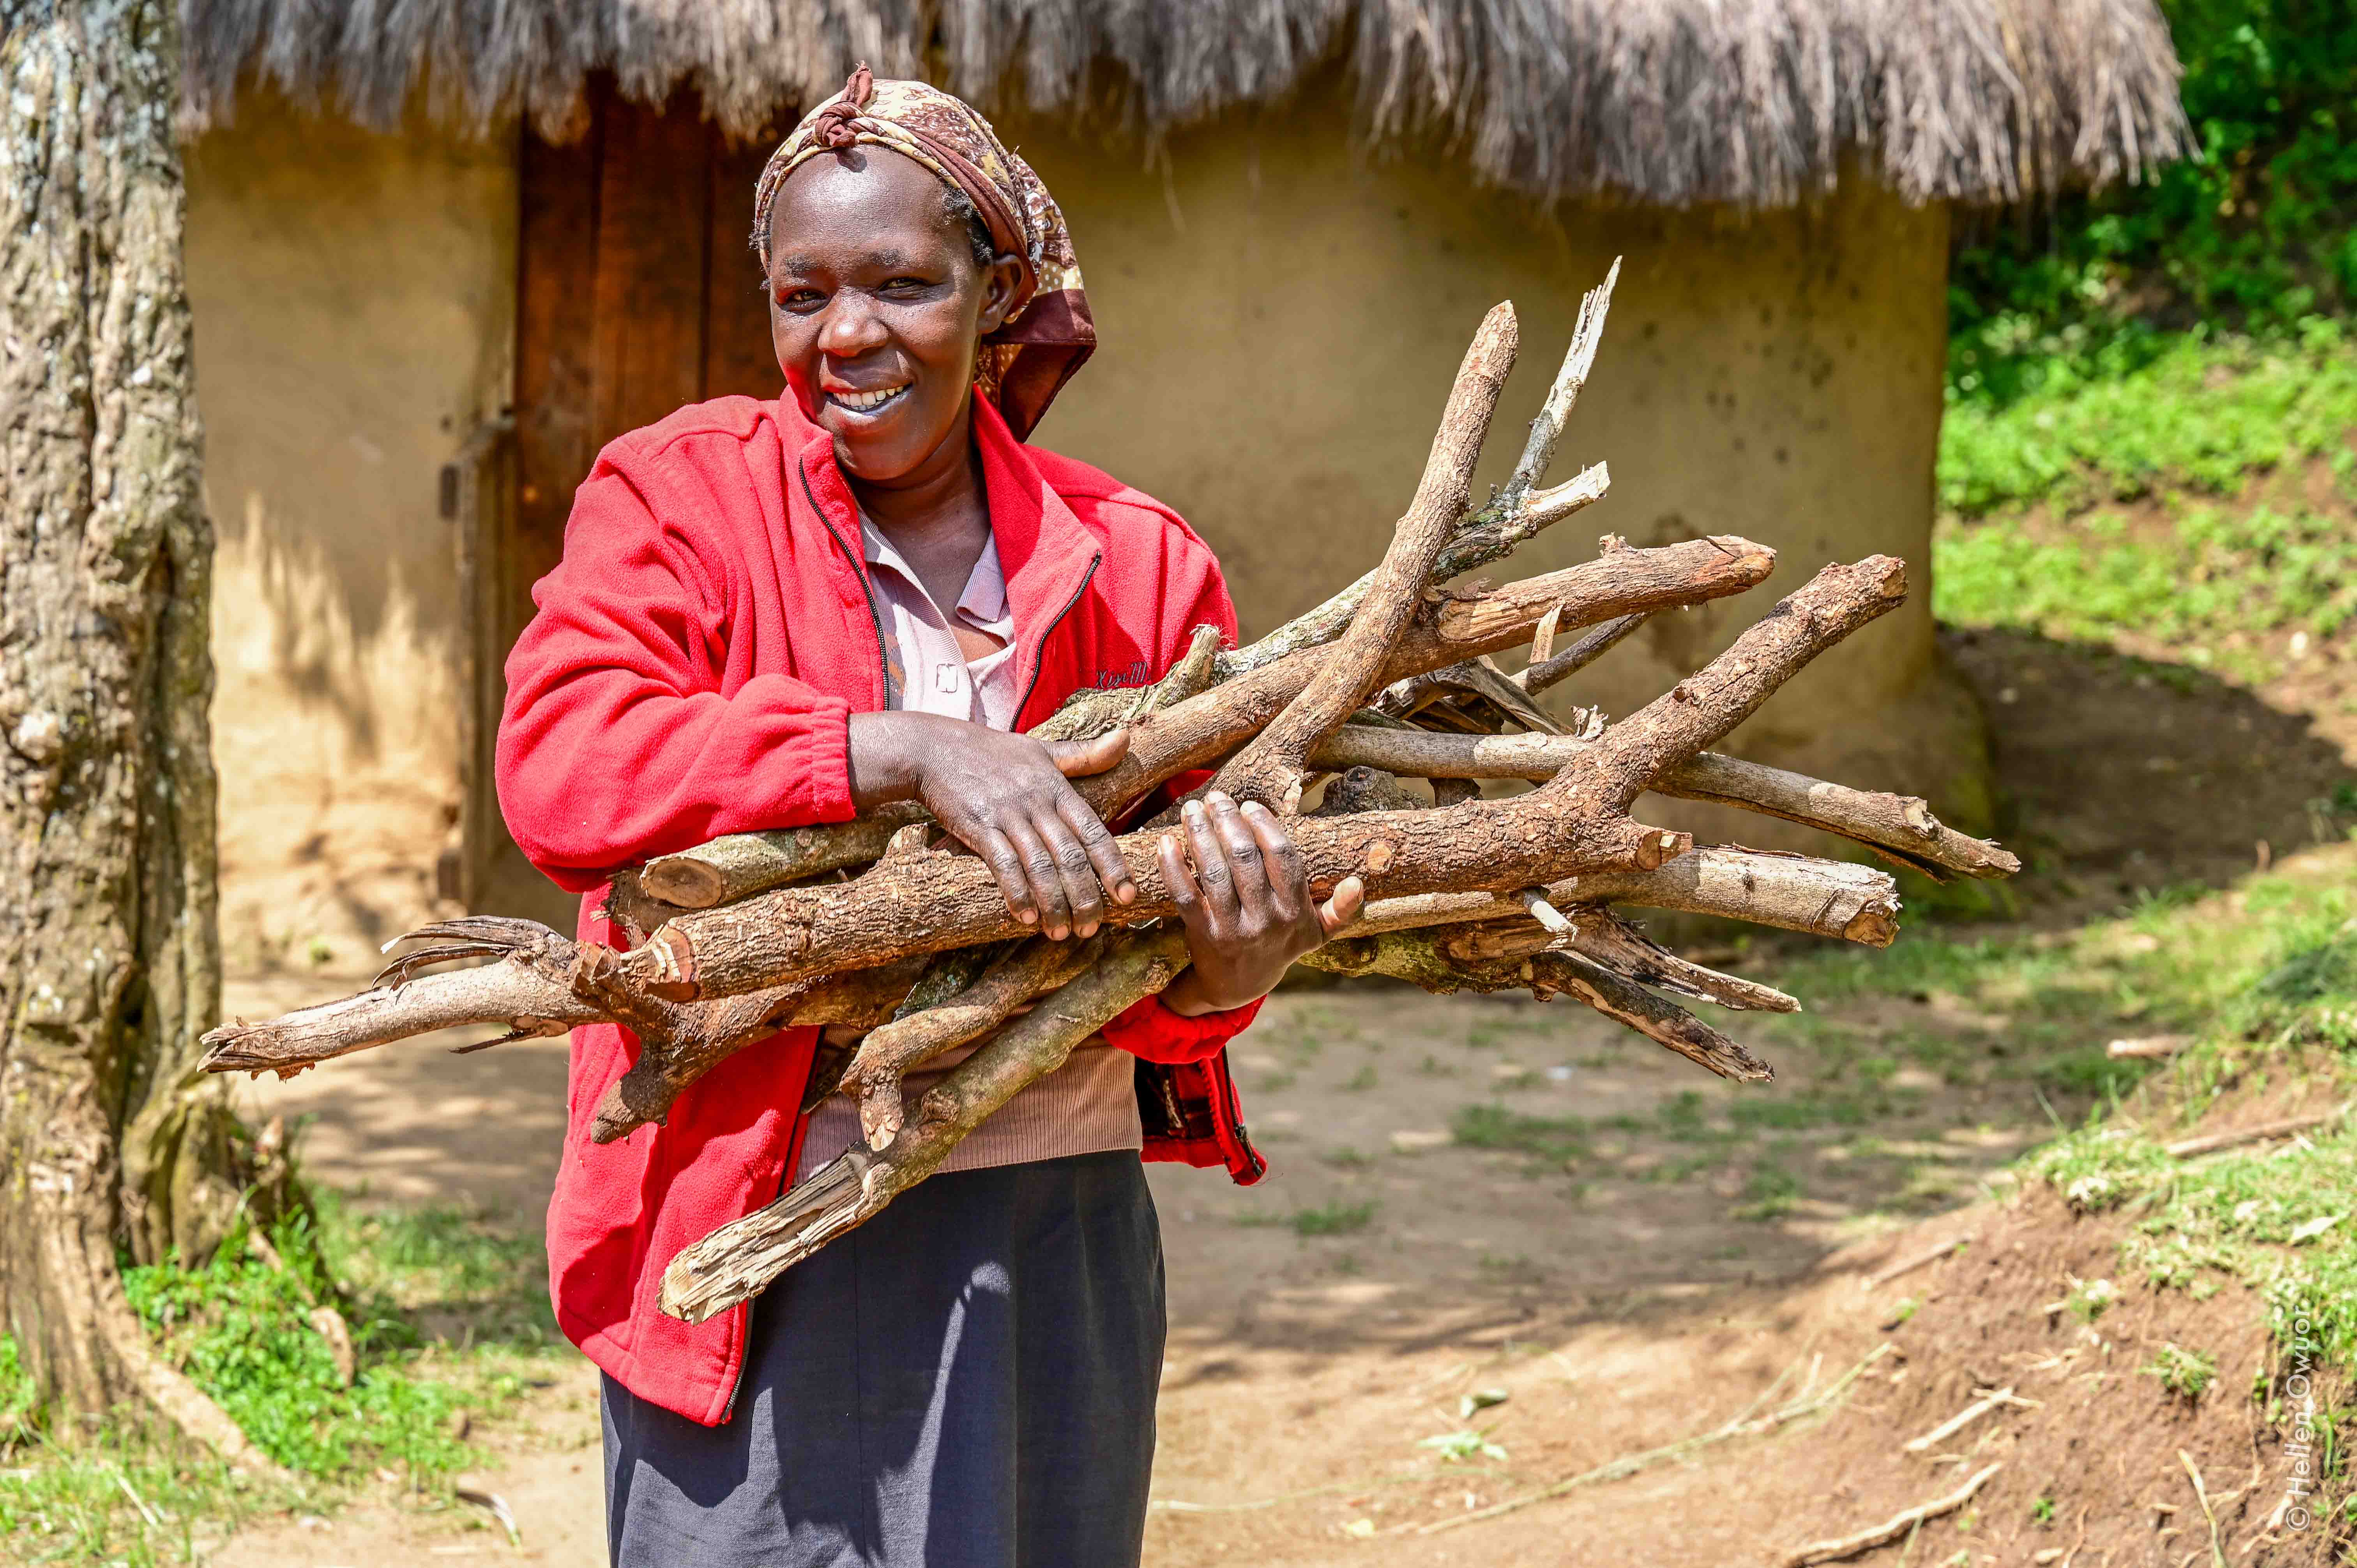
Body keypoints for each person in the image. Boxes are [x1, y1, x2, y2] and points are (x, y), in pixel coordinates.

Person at [495, 67, 1363, 1568]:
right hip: (755, 1224)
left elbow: (1160, 966)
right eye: (802, 293)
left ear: (998, 293)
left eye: (903, 284)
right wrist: (896, 750)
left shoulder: (1139, 567)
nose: (845, 336)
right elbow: (564, 762)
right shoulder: (681, 502)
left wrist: (1233, 970)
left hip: (1047, 1231)